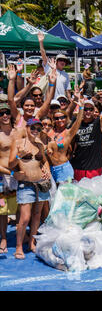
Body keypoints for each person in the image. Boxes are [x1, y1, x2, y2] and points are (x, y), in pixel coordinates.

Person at [9, 118, 52, 259]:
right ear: (27, 128)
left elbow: (44, 161)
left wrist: (47, 171)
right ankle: (19, 247)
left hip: (40, 184)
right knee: (24, 218)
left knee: (37, 216)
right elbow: (10, 164)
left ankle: (32, 243)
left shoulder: (40, 145)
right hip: (26, 185)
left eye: (38, 129)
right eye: (33, 128)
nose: (35, 131)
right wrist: (18, 156)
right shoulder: (18, 143)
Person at [71, 88, 102, 181]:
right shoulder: (75, 124)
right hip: (78, 168)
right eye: (85, 109)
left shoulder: (99, 123)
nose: (88, 111)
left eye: (90, 109)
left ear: (94, 111)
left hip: (94, 169)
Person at [0, 102, 24, 254]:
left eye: (7, 113)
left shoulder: (18, 132)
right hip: (3, 176)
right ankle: (3, 237)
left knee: (21, 207)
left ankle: (22, 237)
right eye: (1, 113)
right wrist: (10, 173)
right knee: (2, 211)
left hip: (19, 175)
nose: (4, 116)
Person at [38, 32, 71, 101]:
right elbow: (43, 55)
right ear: (56, 61)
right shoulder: (50, 69)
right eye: (61, 60)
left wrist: (70, 101)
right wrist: (41, 42)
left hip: (61, 102)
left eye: (64, 61)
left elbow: (67, 90)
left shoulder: (66, 75)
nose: (63, 62)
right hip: (48, 101)